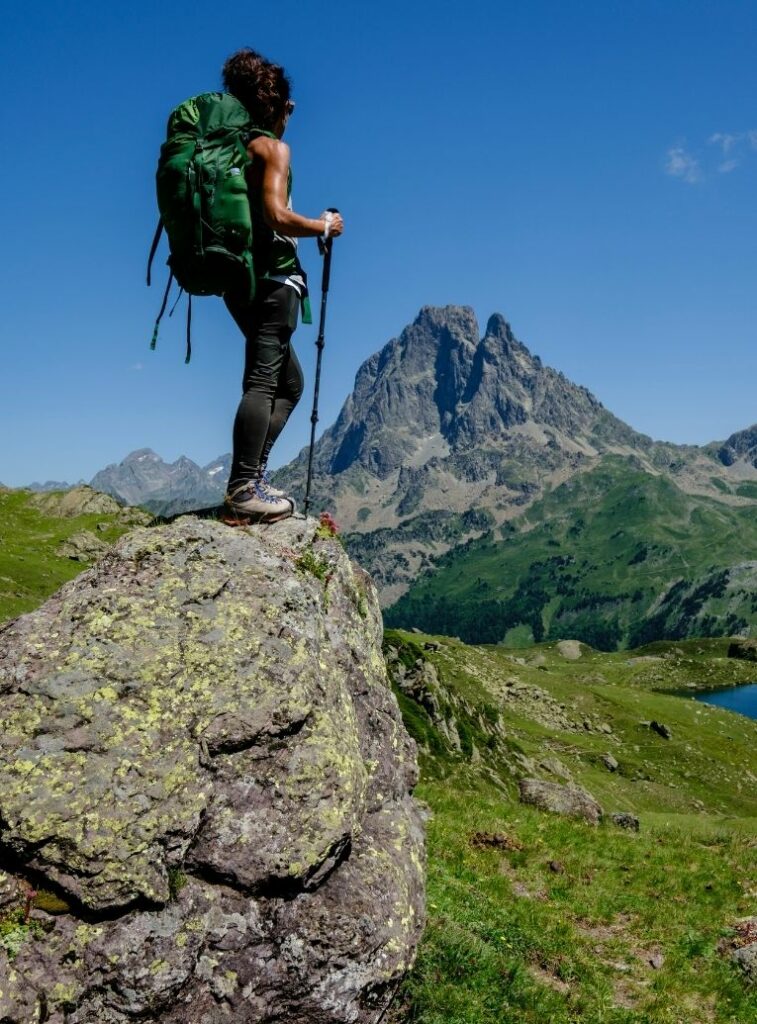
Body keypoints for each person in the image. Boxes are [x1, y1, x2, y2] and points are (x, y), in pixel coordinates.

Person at [221, 48, 344, 521]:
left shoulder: (232, 148)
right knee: (264, 380)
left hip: (241, 283)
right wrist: (323, 226)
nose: (291, 116)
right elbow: (275, 215)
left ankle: (250, 479)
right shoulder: (272, 149)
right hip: (274, 283)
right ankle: (242, 488)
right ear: (275, 104)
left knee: (288, 384)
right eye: (288, 107)